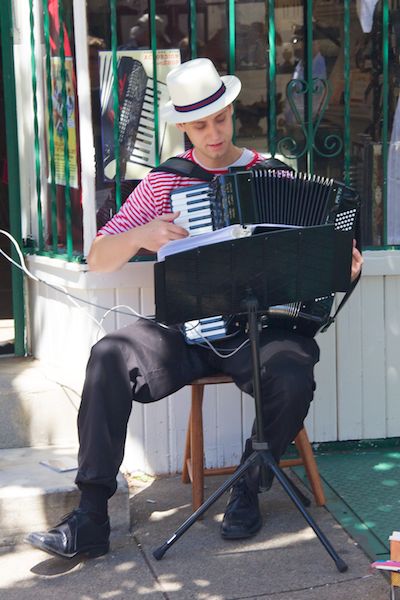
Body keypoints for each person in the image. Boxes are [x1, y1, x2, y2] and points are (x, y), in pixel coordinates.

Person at [26, 58, 363, 559]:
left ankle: (247, 490)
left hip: (257, 330)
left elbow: (323, 254)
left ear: (231, 111)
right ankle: (91, 517)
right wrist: (143, 234)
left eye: (220, 119)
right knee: (110, 355)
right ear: (182, 125)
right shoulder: (165, 183)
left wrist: (344, 263)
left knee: (293, 373)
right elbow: (97, 259)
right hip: (184, 334)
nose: (212, 133)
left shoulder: (272, 174)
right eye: (199, 124)